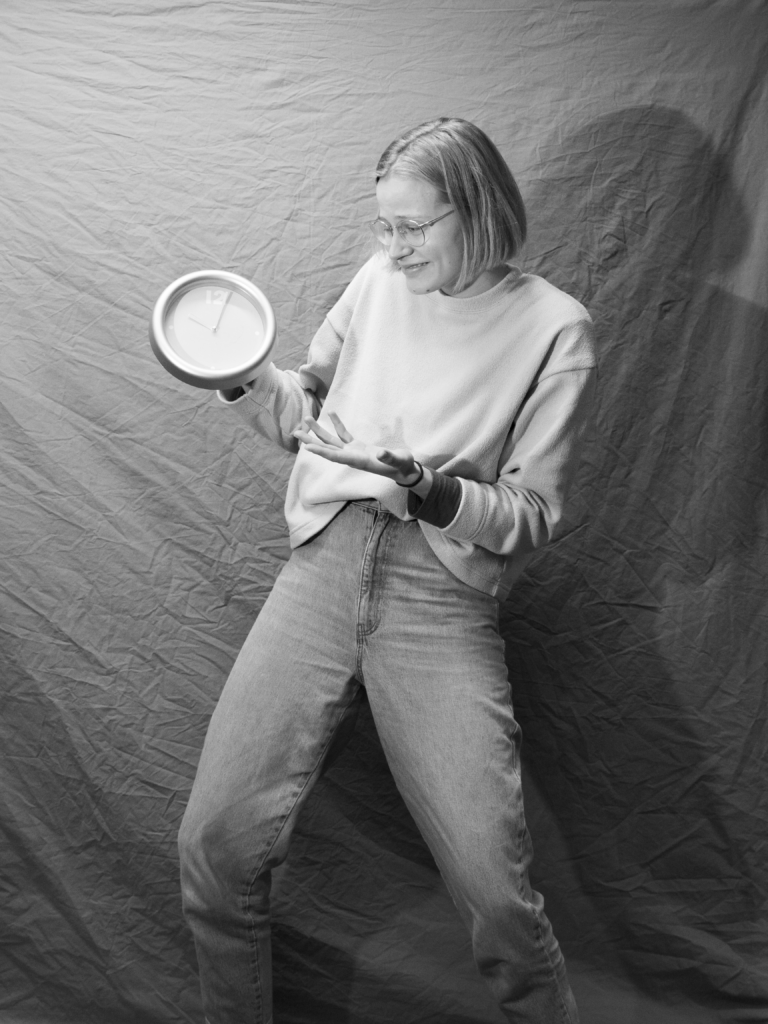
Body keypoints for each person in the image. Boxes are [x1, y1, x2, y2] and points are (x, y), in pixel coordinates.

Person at [178, 116, 596, 1024]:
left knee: (497, 900)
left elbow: (533, 513)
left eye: (413, 227)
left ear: (475, 210)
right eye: (383, 224)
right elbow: (306, 413)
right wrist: (238, 372)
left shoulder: (556, 328)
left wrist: (430, 488)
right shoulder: (378, 281)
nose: (393, 247)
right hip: (323, 568)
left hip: (437, 599)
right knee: (215, 847)